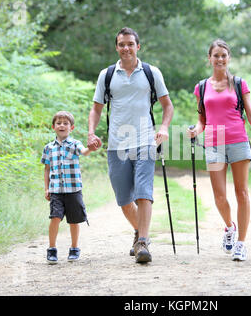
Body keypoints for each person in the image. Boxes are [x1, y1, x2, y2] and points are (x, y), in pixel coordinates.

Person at [87, 27, 173, 264]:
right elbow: (96, 108)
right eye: (122, 44)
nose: (126, 48)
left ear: (138, 47)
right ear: (116, 47)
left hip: (145, 141)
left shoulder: (150, 72)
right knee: (124, 200)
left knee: (144, 193)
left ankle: (143, 242)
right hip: (117, 145)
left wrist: (164, 127)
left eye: (130, 44)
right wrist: (91, 132)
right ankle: (139, 232)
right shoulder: (107, 75)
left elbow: (168, 106)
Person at [187, 39, 251, 261]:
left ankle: (242, 243)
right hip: (214, 142)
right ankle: (229, 227)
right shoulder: (202, 87)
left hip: (237, 140)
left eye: (224, 55)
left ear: (229, 58)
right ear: (209, 58)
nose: (220, 59)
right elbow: (201, 119)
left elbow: (250, 113)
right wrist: (196, 130)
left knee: (241, 193)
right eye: (216, 55)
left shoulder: (239, 83)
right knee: (219, 196)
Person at [41, 111, 93, 264]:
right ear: (53, 127)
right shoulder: (49, 147)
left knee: (74, 220)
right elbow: (46, 169)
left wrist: (91, 148)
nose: (62, 125)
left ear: (72, 127)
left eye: (65, 123)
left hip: (73, 190)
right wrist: (46, 188)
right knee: (55, 218)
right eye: (59, 123)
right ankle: (51, 249)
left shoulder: (75, 144)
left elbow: (84, 152)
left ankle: (74, 248)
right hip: (56, 190)